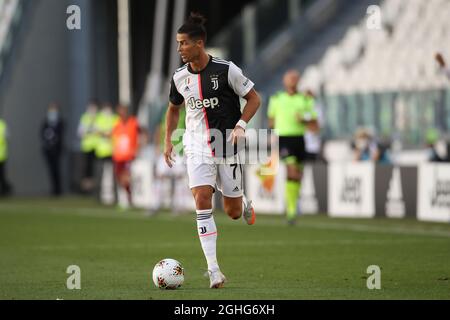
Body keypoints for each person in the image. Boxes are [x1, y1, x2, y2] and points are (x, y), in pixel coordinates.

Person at [164, 13, 261, 289]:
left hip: (225, 144)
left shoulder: (226, 69)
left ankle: (241, 203)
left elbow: (254, 98)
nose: (180, 49)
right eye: (178, 43)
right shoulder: (179, 77)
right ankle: (214, 270)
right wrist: (168, 141)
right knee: (202, 198)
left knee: (230, 212)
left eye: (183, 43)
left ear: (199, 43)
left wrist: (241, 124)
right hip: (195, 146)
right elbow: (173, 109)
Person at [267, 70, 318, 225]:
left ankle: (293, 204)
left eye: (295, 78)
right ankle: (291, 210)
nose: (292, 81)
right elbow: (271, 121)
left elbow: (314, 125)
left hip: (300, 139)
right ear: (284, 81)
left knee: (298, 175)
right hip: (284, 139)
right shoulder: (276, 99)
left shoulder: (305, 99)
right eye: (290, 78)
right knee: (292, 170)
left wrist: (303, 118)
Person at [112, 104, 140, 209]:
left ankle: (127, 199)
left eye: (123, 111)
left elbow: (140, 134)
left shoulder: (133, 122)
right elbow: (113, 135)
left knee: (126, 177)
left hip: (128, 155)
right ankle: (127, 196)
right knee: (119, 177)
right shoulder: (117, 123)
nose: (121, 113)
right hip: (118, 155)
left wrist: (137, 148)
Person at [41, 103, 64, 196]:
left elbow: (60, 134)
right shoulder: (46, 122)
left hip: (57, 150)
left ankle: (58, 189)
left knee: (56, 169)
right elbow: (42, 134)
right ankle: (54, 189)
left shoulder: (60, 122)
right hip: (48, 150)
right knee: (51, 170)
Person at [77, 101, 99, 193]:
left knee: (97, 169)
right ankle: (87, 189)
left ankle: (97, 188)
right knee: (87, 170)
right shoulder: (85, 118)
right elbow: (80, 132)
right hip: (87, 148)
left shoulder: (100, 118)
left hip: (98, 148)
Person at [0, 116, 12, 196]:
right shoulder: (3, 125)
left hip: (2, 156)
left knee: (2, 175)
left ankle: (5, 190)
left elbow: (7, 137)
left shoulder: (3, 125)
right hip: (2, 155)